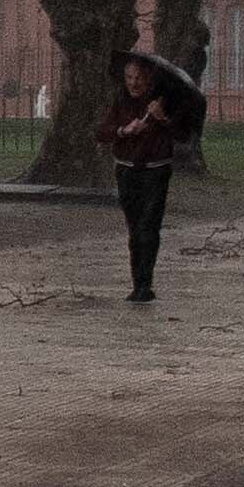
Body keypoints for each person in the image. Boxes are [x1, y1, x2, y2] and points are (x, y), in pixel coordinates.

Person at [97, 53, 177, 301]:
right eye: (129, 77)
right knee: (134, 229)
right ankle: (137, 283)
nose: (134, 83)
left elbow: (183, 133)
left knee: (148, 226)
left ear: (148, 78)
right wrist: (124, 130)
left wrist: (163, 118)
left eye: (139, 78)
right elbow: (102, 132)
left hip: (156, 170)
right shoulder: (120, 100)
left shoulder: (163, 101)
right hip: (126, 169)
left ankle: (146, 284)